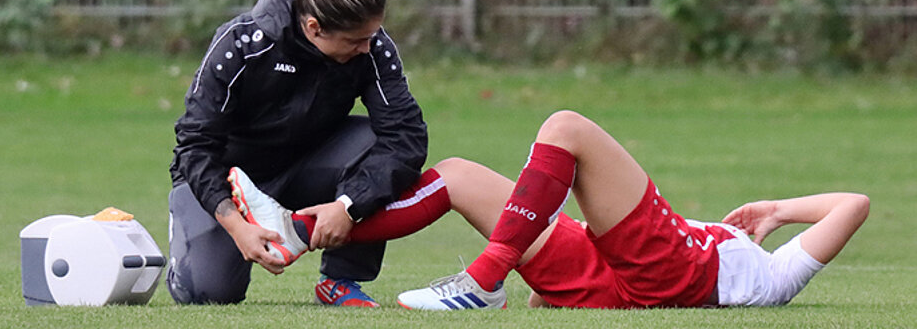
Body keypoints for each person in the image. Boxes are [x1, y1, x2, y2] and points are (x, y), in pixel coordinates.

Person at [228, 110, 868, 310]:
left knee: (567, 128)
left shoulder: (776, 279)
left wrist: (778, 210)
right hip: (611, 275)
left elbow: (853, 205)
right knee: (456, 177)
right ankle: (297, 230)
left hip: (667, 271)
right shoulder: (743, 264)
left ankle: (483, 278)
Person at [167, 0, 427, 307]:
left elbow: (405, 137)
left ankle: (340, 279)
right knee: (206, 294)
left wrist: (349, 206)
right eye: (355, 41)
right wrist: (234, 224)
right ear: (314, 28)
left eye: (372, 35)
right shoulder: (240, 44)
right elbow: (194, 146)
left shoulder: (373, 47)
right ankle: (186, 234)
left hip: (308, 167)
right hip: (228, 177)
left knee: (378, 146)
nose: (368, 48)